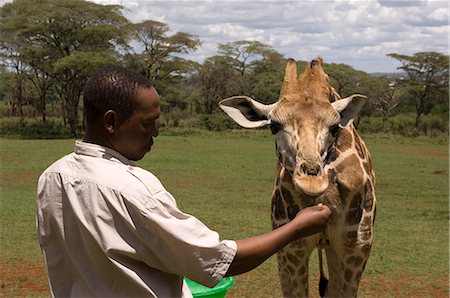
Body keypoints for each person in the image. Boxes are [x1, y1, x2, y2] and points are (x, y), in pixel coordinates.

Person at [36, 65, 331, 297]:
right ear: (111, 122)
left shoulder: (52, 176)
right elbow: (222, 261)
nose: (155, 133)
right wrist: (296, 227)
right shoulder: (132, 188)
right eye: (148, 123)